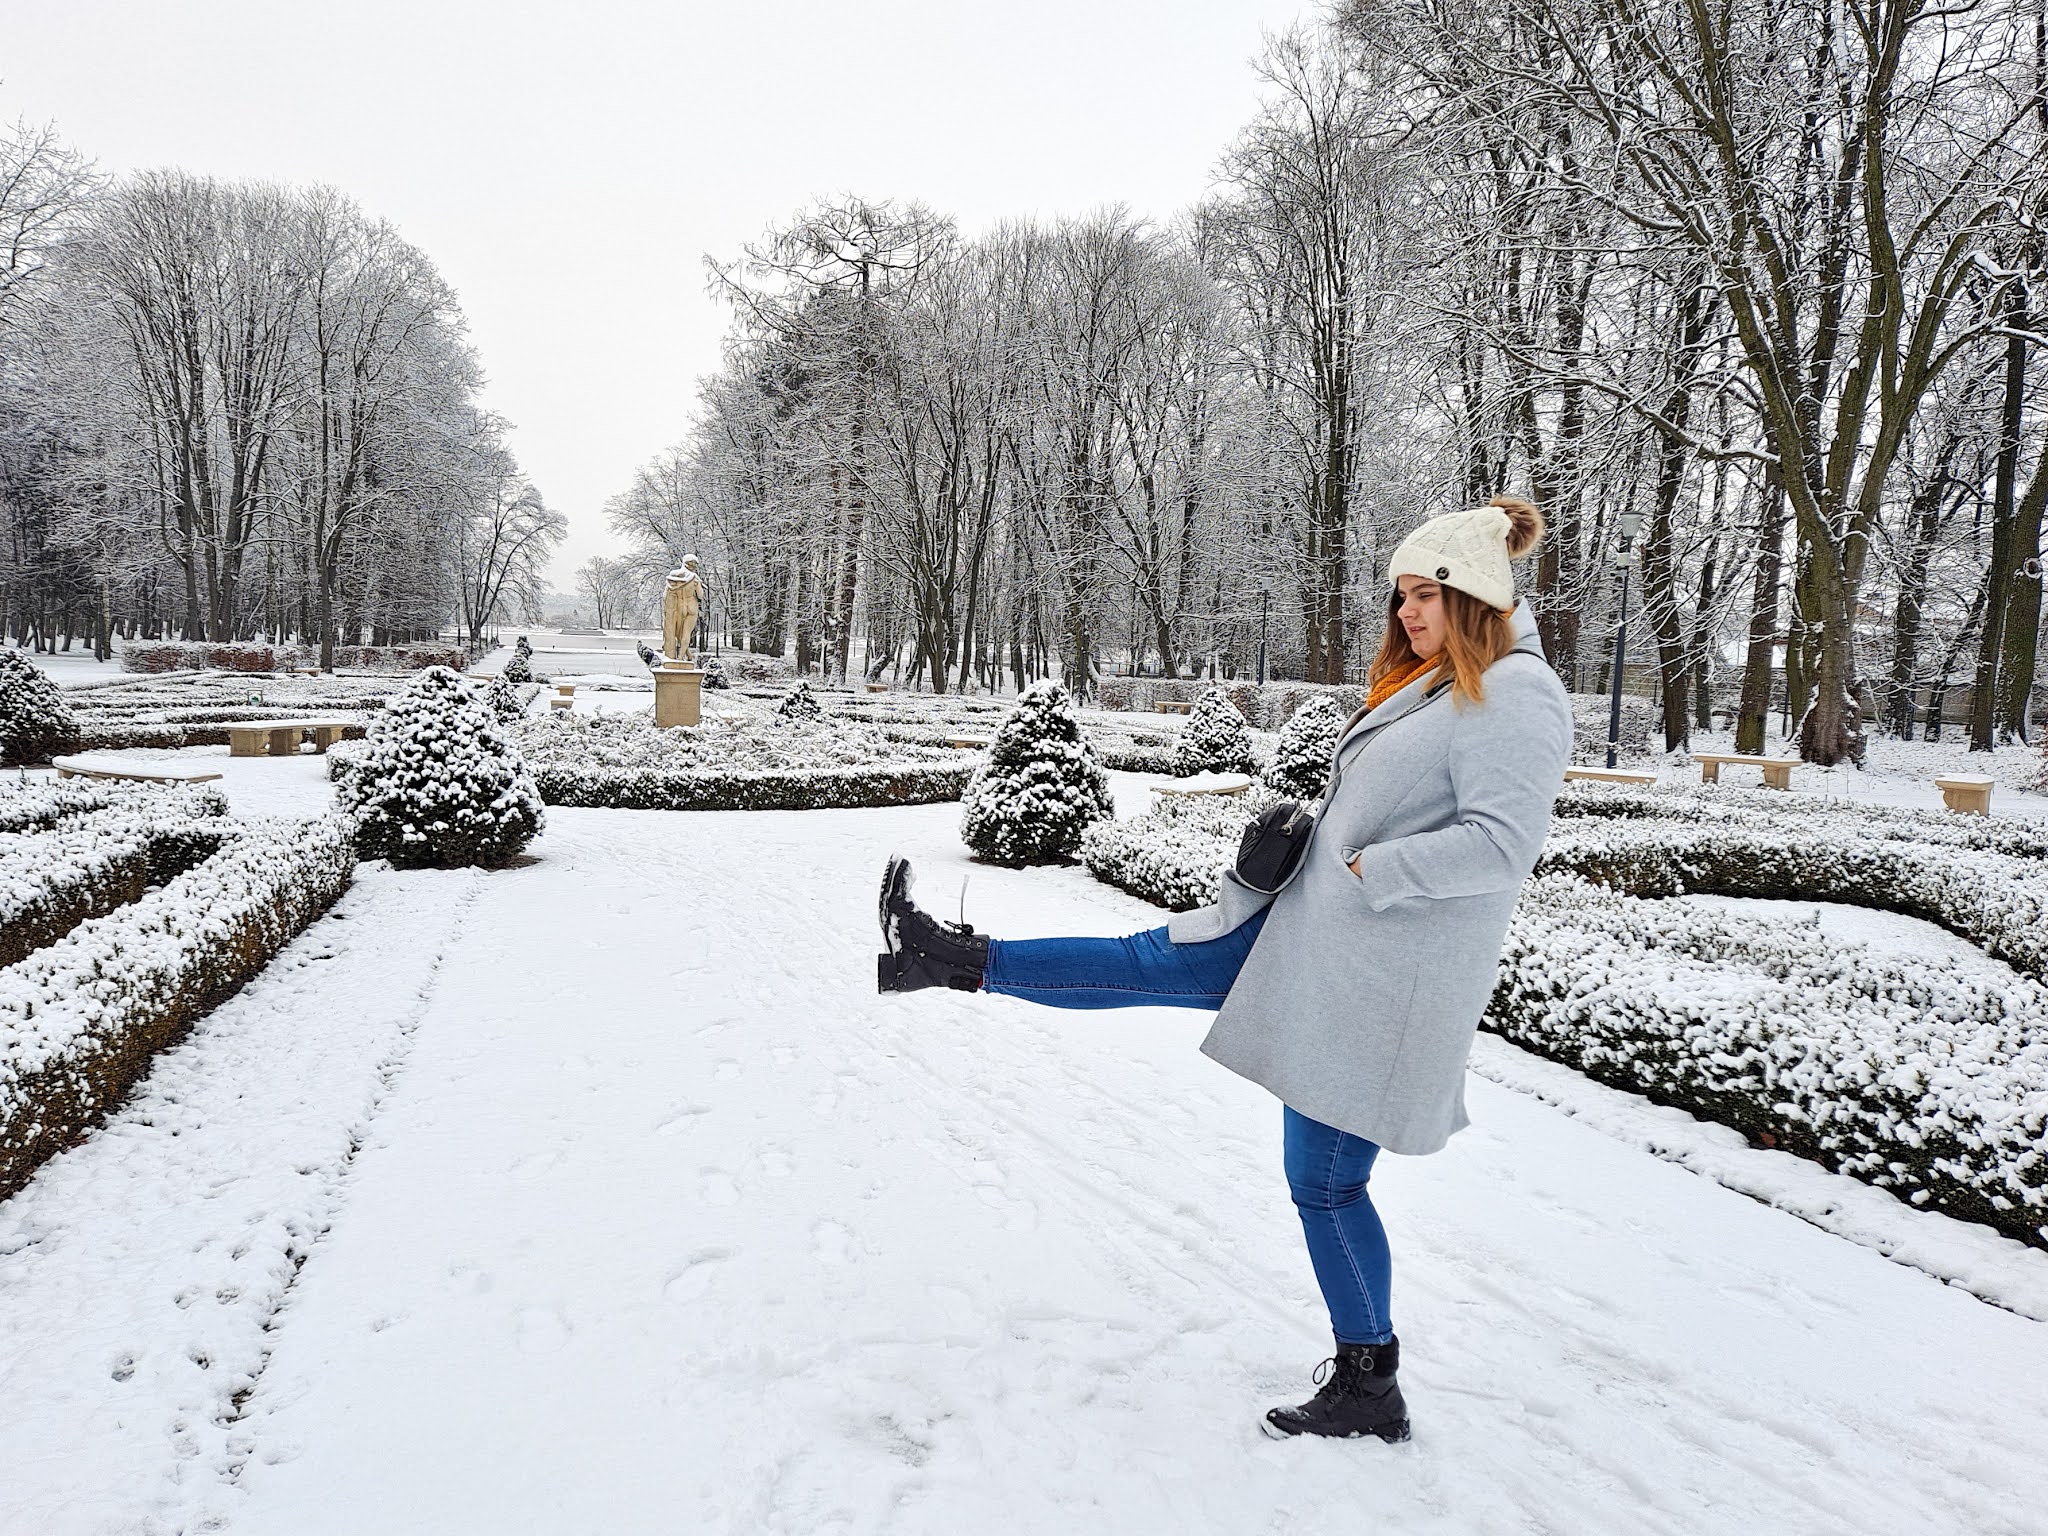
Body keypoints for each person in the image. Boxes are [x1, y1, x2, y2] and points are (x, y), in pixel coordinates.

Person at [875, 496, 1574, 1442]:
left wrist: (1374, 867)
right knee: (1150, 958)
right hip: (1308, 933)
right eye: (1401, 596)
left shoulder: (1517, 691)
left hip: (1369, 974)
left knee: (1324, 1182)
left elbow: (1501, 843)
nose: (1406, 614)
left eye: (1425, 596)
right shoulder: (1443, 681)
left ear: (1477, 597)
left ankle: (1371, 1383)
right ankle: (947, 958)